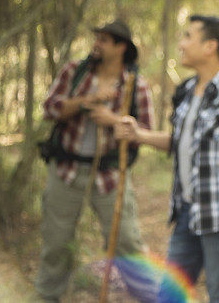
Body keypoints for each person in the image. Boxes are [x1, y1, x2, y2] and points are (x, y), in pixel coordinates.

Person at [114, 15, 219, 303]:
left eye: (188, 36)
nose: (181, 44)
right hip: (186, 211)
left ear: (210, 46)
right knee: (170, 294)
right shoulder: (187, 90)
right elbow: (182, 142)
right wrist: (140, 134)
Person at [35, 20, 154, 302]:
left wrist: (113, 120)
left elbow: (146, 133)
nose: (96, 44)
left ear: (121, 47)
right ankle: (46, 296)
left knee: (127, 241)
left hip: (111, 176)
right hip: (66, 171)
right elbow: (50, 110)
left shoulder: (136, 86)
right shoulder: (74, 72)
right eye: (96, 38)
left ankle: (149, 296)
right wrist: (86, 101)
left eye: (104, 40)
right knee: (56, 242)